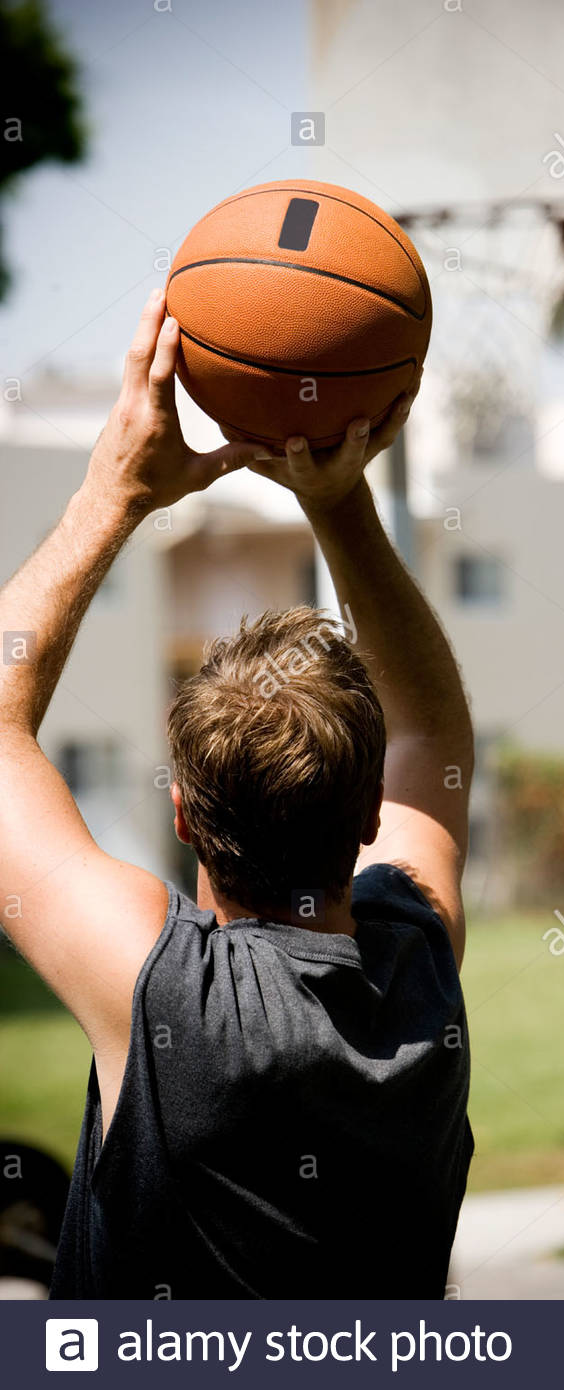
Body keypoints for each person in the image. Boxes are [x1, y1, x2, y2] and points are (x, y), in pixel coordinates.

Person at [0, 289, 474, 1298]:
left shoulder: (160, 988)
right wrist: (338, 497)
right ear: (364, 819)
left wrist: (113, 492)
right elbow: (432, 729)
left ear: (181, 814)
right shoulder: (415, 962)